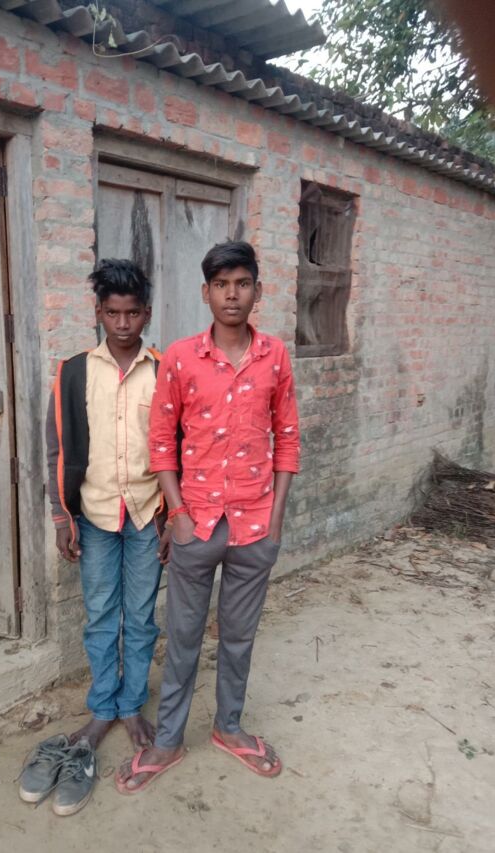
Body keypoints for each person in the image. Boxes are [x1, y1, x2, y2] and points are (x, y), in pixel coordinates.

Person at [115, 240, 300, 794]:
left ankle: (229, 727)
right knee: (184, 638)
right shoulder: (180, 357)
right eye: (221, 285)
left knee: (239, 638)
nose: (231, 295)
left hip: (254, 526)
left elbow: (288, 440)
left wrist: (276, 521)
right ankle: (169, 740)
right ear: (206, 293)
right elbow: (161, 441)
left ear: (257, 291)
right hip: (195, 525)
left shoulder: (274, 356)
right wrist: (177, 513)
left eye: (241, 284)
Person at [28, 259, 167, 812]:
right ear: (98, 313)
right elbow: (56, 449)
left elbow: (179, 447)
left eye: (132, 313)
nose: (123, 323)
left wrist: (174, 518)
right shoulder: (74, 373)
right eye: (112, 313)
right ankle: (103, 708)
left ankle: (131, 704)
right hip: (95, 516)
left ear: (147, 313)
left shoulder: (165, 371)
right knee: (101, 613)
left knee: (142, 616)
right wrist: (61, 518)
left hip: (147, 514)